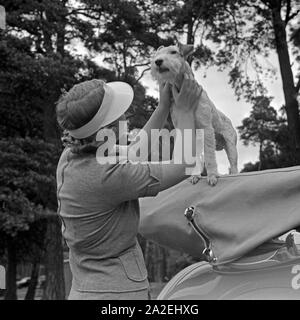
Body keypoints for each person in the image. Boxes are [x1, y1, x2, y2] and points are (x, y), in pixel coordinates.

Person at [56, 73, 202, 300]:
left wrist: (163, 107)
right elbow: (186, 164)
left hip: (85, 290)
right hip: (119, 294)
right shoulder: (110, 175)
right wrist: (185, 111)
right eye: (119, 115)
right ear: (109, 129)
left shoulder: (70, 156)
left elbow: (134, 153)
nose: (125, 116)